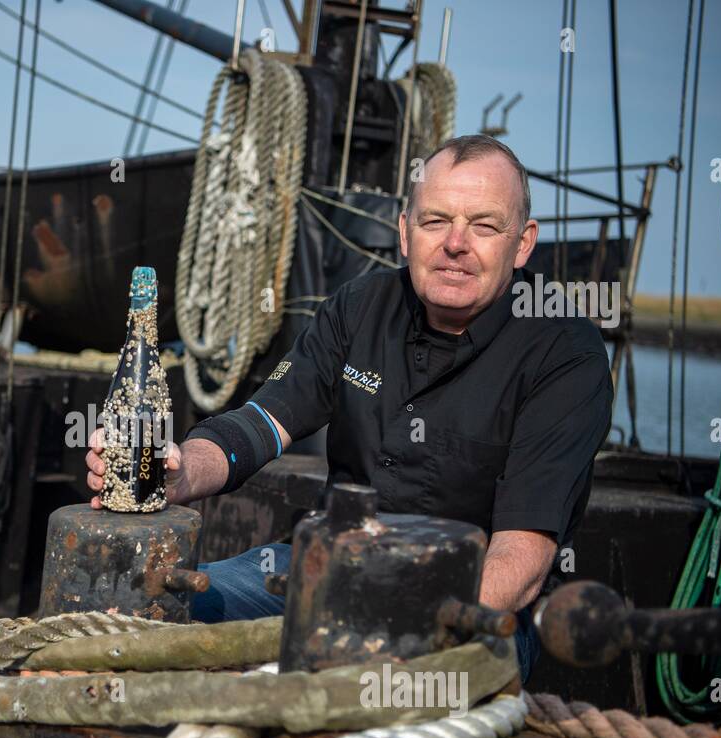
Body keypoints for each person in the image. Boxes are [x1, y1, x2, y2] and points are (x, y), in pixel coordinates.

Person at [86, 134, 613, 683]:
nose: (456, 243)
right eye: (435, 222)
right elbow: (264, 422)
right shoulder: (359, 306)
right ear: (405, 233)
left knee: (361, 696)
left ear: (523, 243)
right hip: (325, 569)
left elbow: (521, 562)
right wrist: (179, 471)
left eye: (483, 225)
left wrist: (385, 626)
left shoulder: (564, 355)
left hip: (470, 609)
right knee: (148, 615)